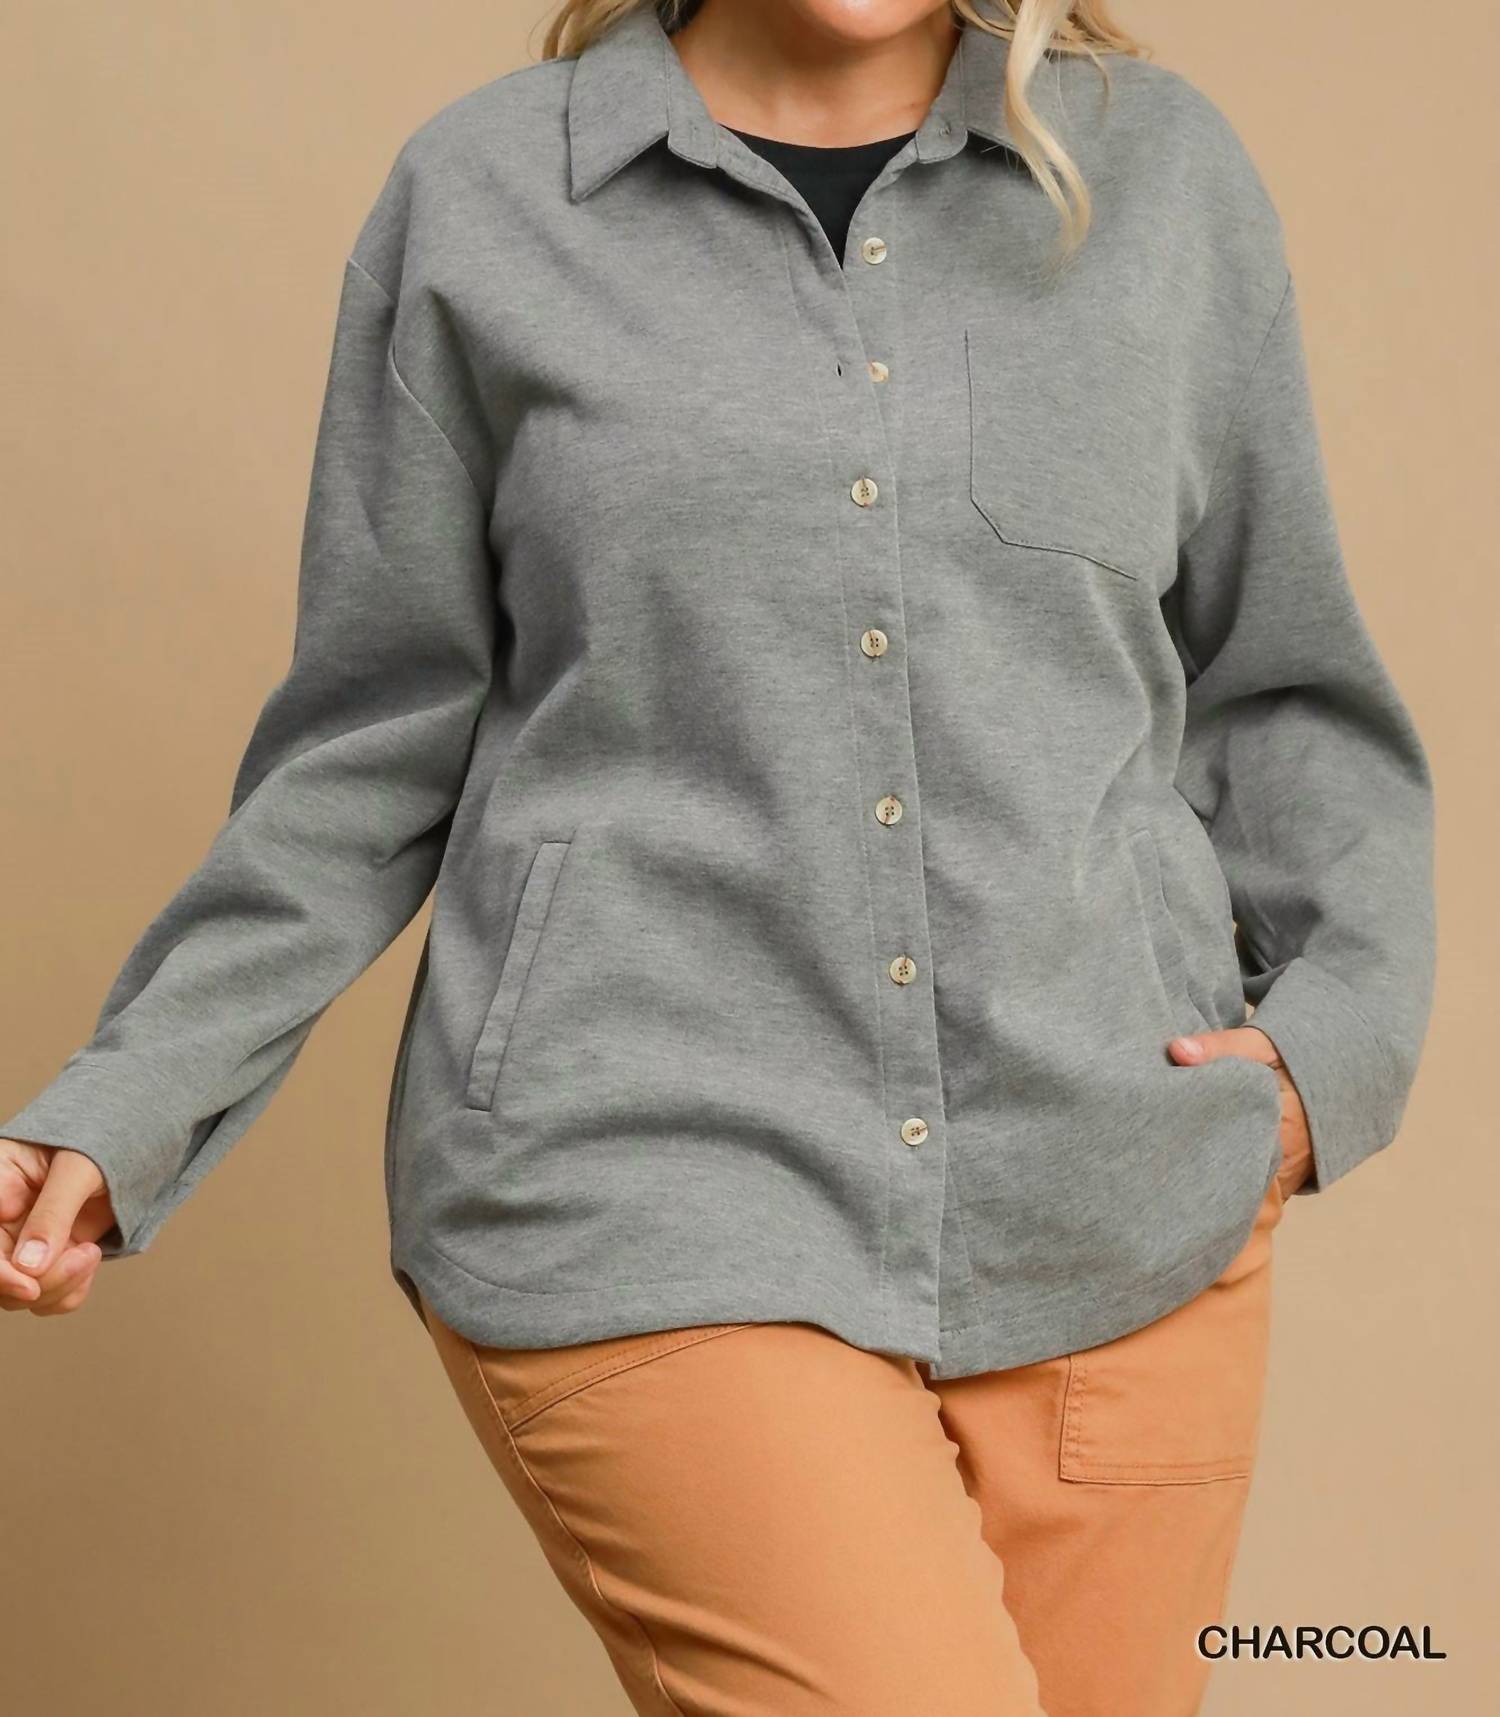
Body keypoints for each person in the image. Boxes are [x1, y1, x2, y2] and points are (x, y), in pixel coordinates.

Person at [1, 1, 1437, 1711]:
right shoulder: (486, 202)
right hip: (644, 1177)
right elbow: (365, 744)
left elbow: (1287, 687)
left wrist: (1326, 1055)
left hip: (1119, 1191)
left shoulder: (1167, 179)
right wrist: (131, 1098)